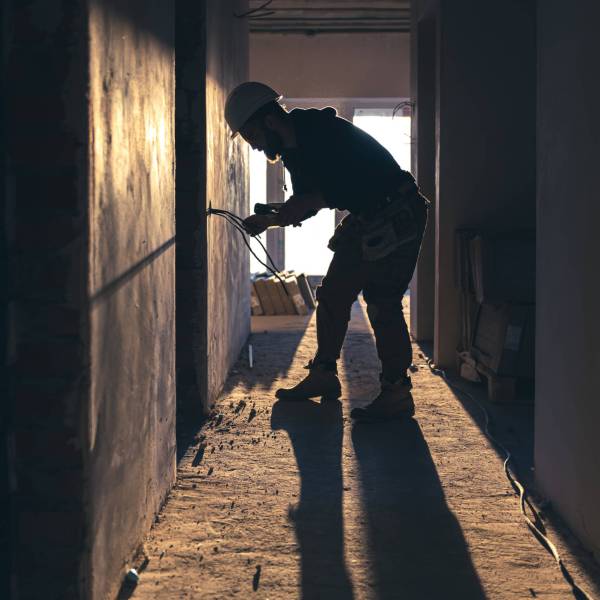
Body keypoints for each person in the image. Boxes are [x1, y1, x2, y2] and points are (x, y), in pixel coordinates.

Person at [224, 81, 429, 422]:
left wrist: (295, 207)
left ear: (270, 121)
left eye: (252, 136)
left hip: (399, 213)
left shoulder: (323, 132)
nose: (256, 146)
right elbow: (309, 202)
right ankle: (323, 374)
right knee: (333, 294)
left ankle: (396, 392)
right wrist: (270, 221)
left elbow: (338, 187)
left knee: (382, 304)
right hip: (369, 215)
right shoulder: (292, 152)